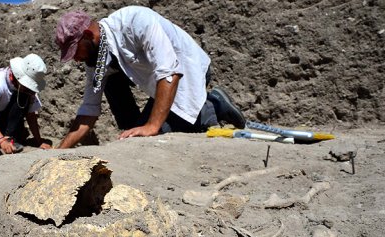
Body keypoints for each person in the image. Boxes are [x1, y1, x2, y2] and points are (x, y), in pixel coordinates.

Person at [54, 6, 246, 149]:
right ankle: (141, 125)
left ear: (88, 35)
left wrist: (152, 126)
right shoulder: (97, 56)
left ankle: (211, 106)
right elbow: (89, 109)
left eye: (75, 51)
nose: (77, 60)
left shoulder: (135, 21)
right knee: (113, 89)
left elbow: (169, 71)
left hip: (188, 72)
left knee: (158, 138)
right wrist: (59, 153)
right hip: (163, 84)